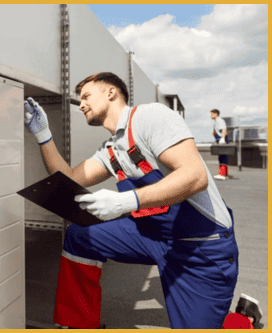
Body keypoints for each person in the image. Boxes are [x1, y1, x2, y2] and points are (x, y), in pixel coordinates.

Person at [24, 72, 239, 329]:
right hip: (154, 236)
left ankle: (242, 320)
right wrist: (43, 136)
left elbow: (194, 177)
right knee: (80, 236)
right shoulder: (111, 149)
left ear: (111, 93)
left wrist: (126, 201)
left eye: (86, 96)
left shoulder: (151, 117)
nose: (80, 104)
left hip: (202, 247)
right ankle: (80, 323)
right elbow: (69, 177)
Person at [210, 109, 229, 180]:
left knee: (223, 157)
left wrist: (222, 138)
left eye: (212, 114)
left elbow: (223, 129)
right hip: (220, 139)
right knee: (222, 156)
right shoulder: (216, 121)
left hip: (222, 140)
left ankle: (222, 174)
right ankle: (224, 174)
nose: (211, 116)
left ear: (216, 114)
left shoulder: (219, 121)